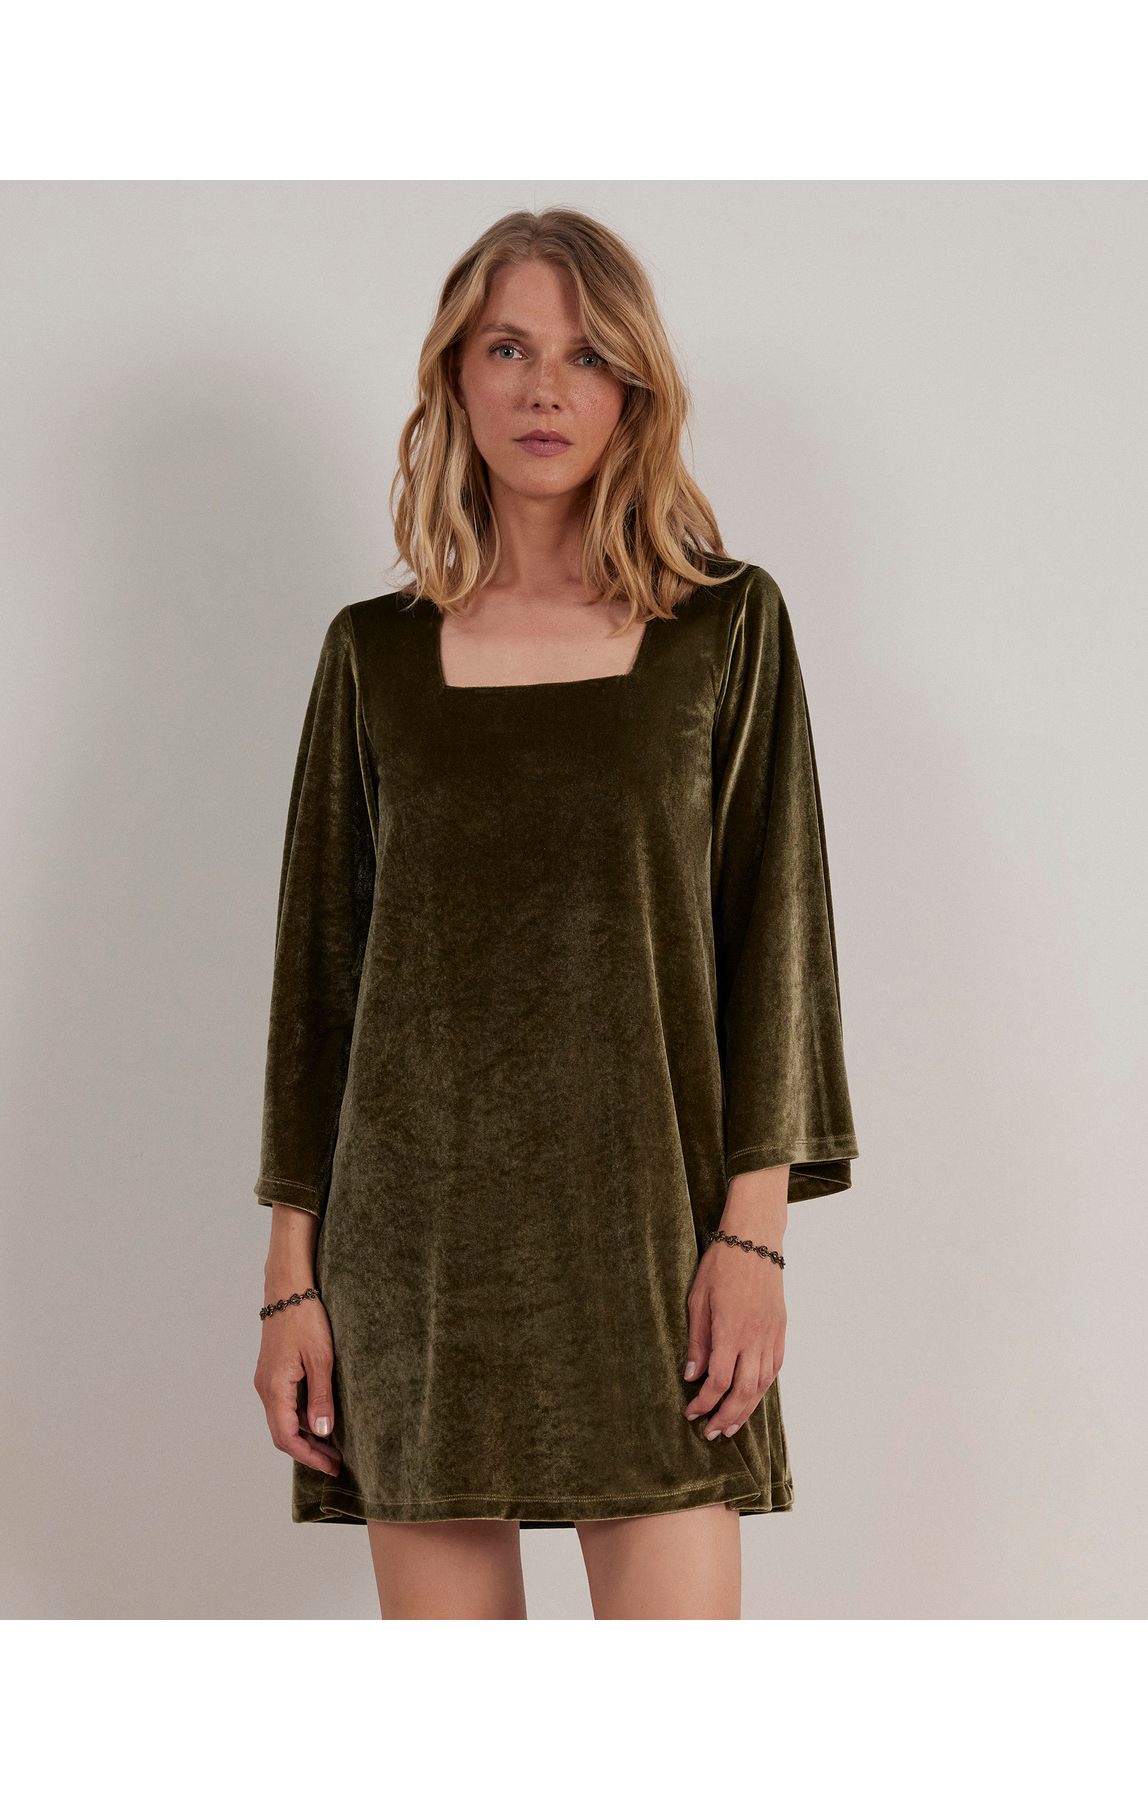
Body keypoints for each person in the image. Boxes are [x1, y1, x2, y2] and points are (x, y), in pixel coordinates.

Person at [252, 207, 859, 1620]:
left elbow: (778, 945)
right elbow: (318, 983)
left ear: (633, 388)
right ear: (454, 376)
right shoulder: (375, 656)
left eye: (587, 357)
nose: (544, 388)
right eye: (508, 348)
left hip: (650, 1250)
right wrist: (291, 1279)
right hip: (416, 1262)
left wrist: (754, 1238)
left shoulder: (723, 627)